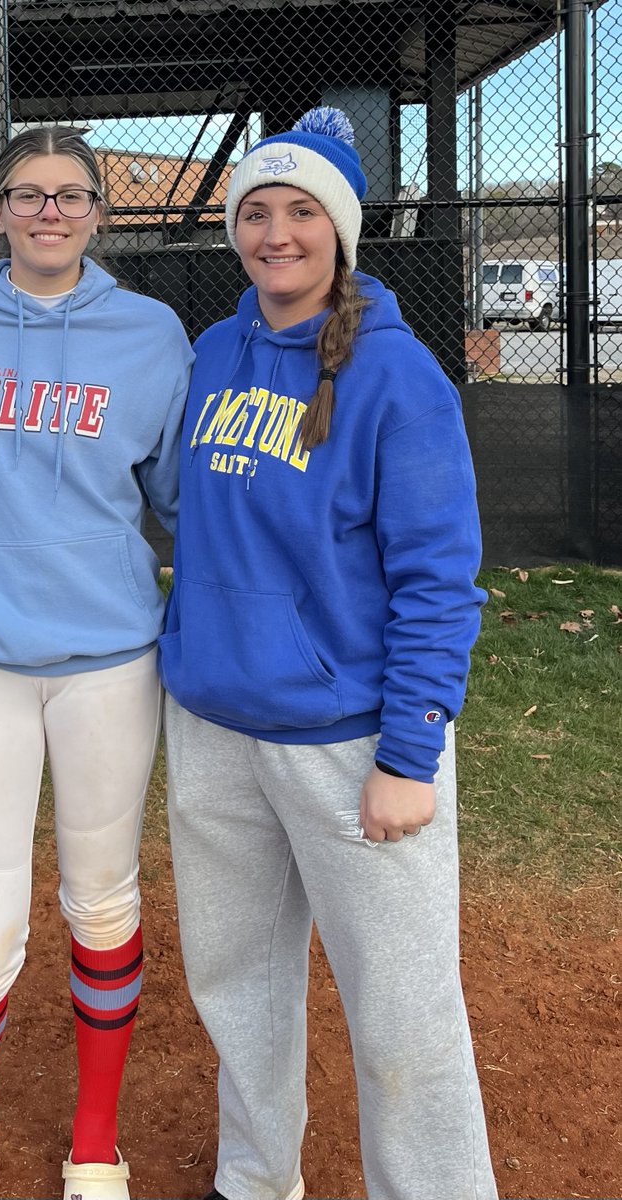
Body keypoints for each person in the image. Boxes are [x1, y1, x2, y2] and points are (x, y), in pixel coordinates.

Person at [159, 108, 499, 1200]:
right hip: (214, 727)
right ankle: (255, 1181)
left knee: (402, 1013)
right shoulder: (216, 350)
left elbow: (438, 578)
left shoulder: (399, 381)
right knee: (237, 985)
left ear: (341, 229)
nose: (275, 233)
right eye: (255, 211)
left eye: (301, 211)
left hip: (350, 743)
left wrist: (409, 752)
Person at [0, 125, 192, 1200]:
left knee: (101, 904)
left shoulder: (154, 335)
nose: (50, 212)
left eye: (72, 196)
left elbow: (175, 501)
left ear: (102, 212)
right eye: (28, 194)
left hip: (110, 656)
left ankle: (95, 1148)